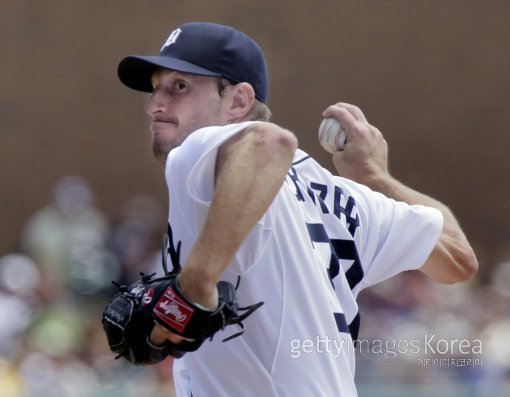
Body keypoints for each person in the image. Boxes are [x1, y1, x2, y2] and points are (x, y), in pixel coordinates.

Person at [116, 21, 478, 396]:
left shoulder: (198, 149)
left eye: (179, 87)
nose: (155, 104)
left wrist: (194, 285)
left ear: (238, 101)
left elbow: (270, 142)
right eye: (156, 88)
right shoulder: (344, 198)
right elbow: (457, 258)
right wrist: (375, 177)